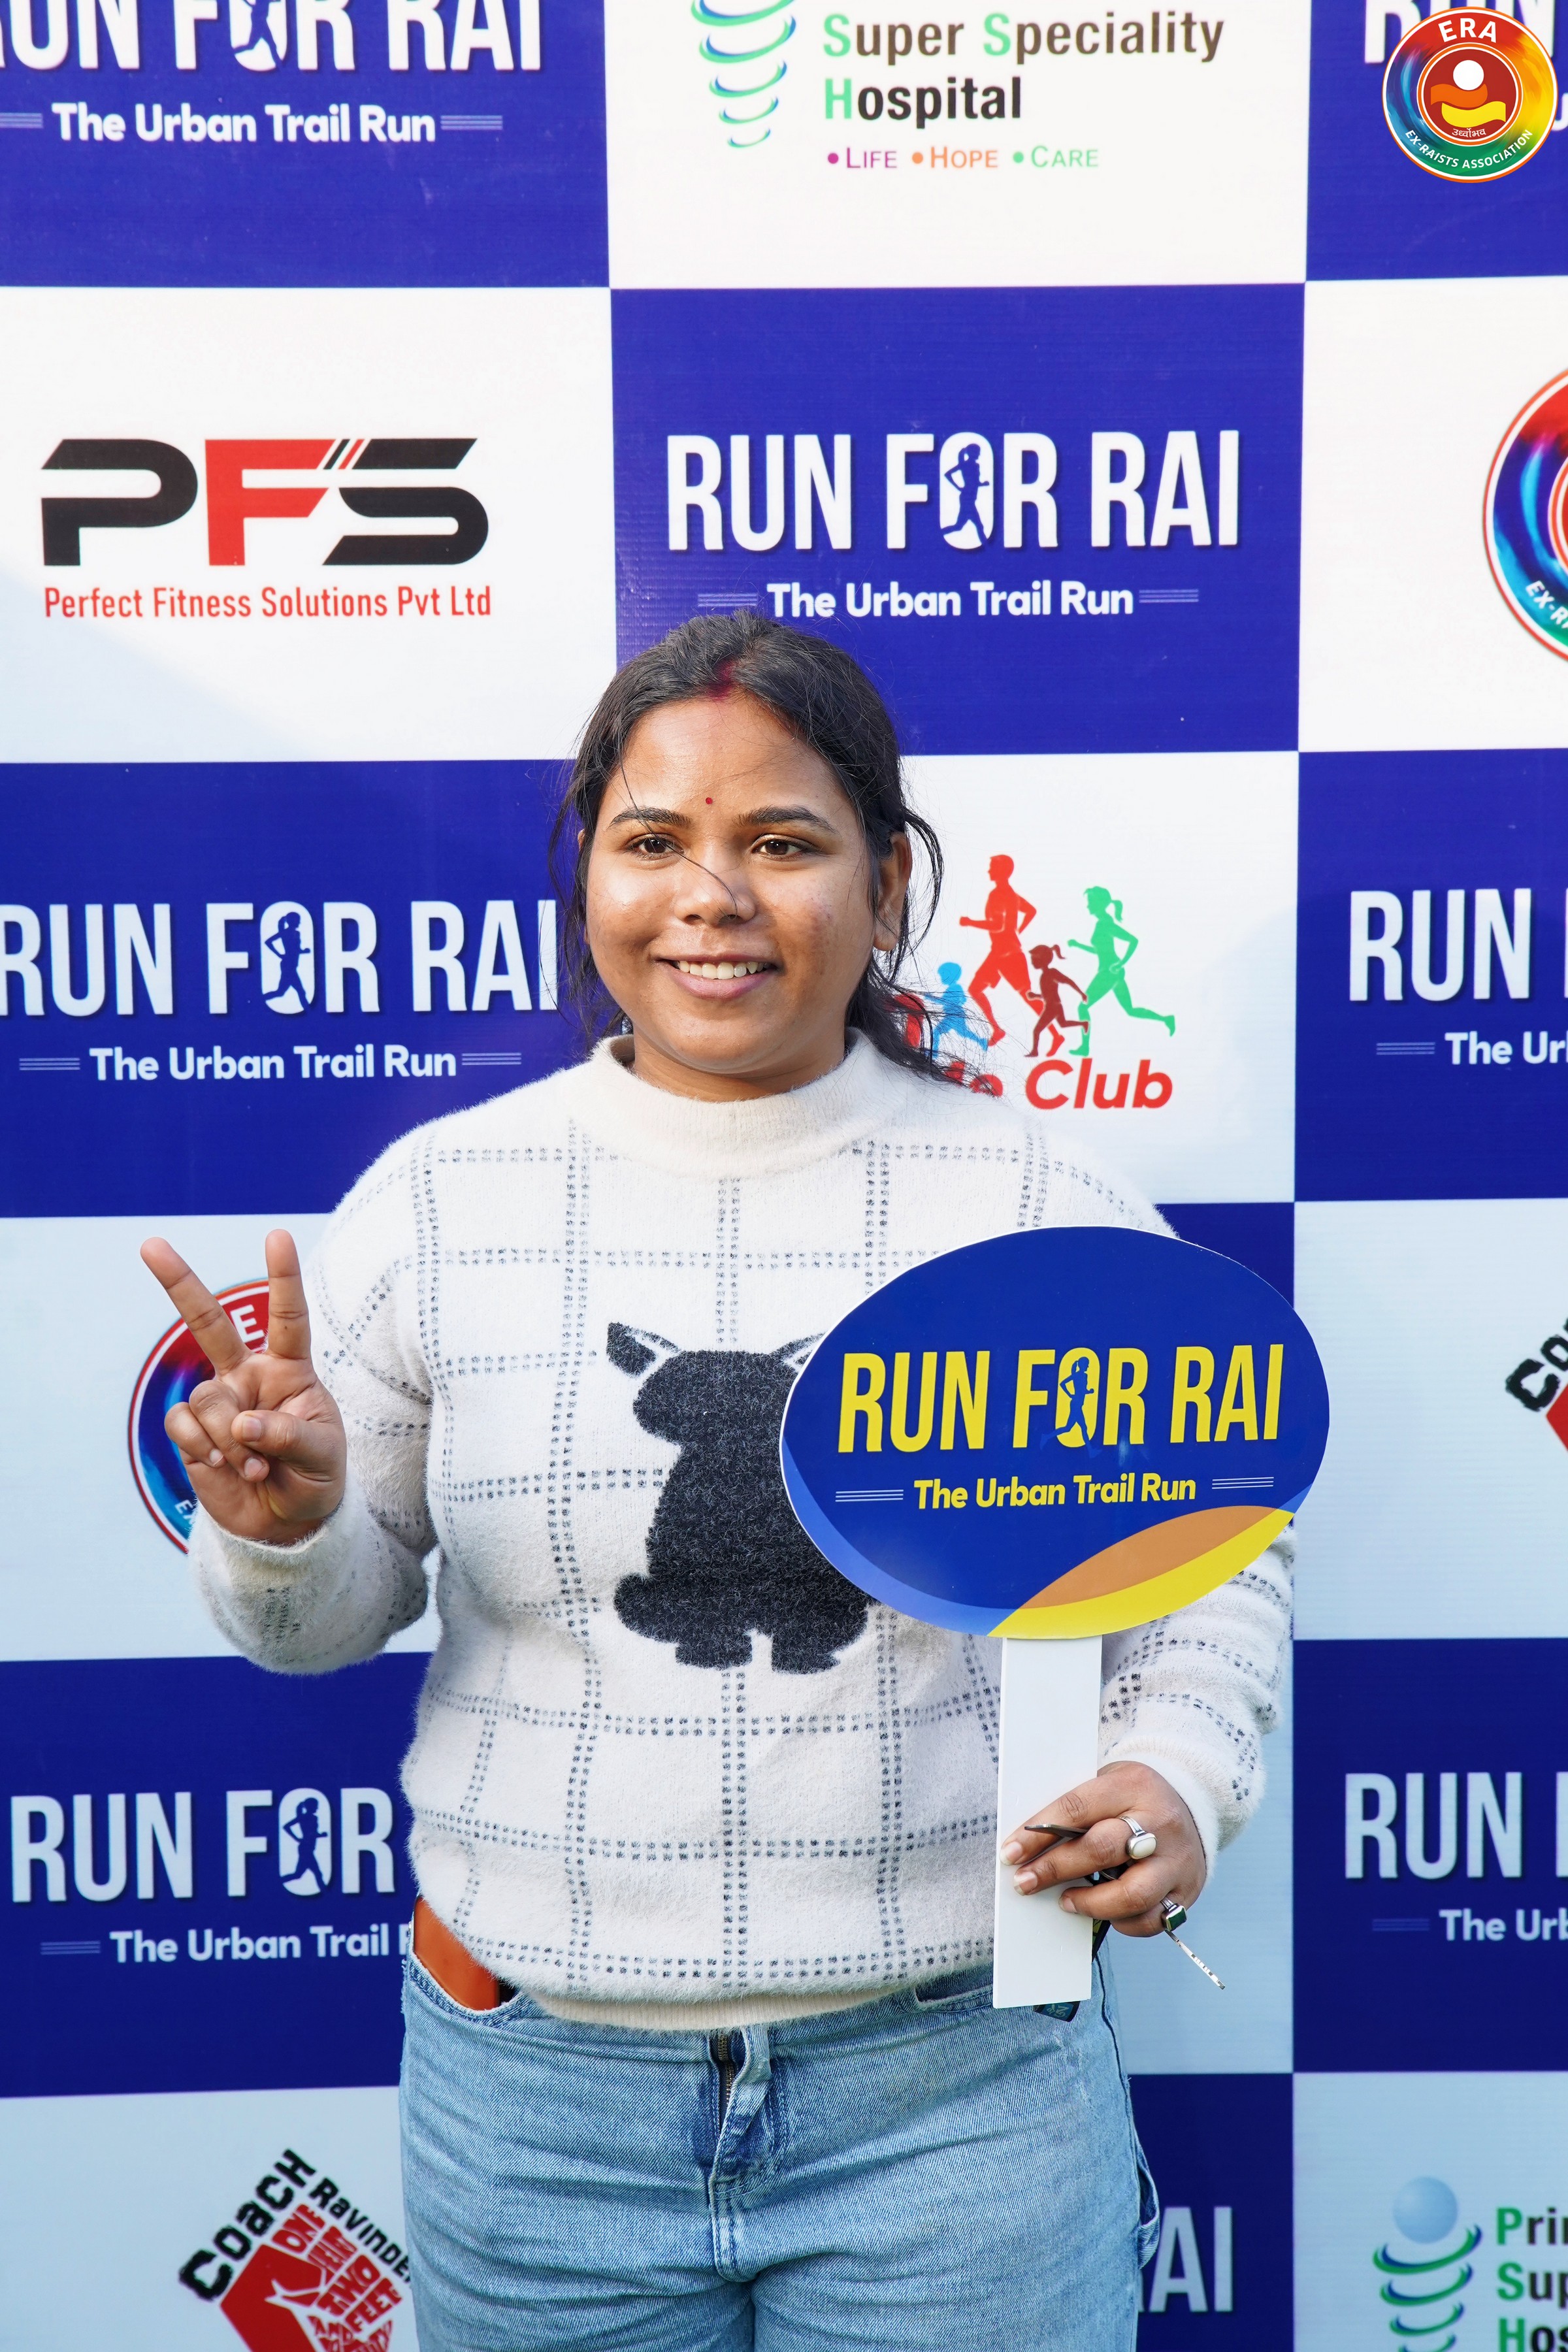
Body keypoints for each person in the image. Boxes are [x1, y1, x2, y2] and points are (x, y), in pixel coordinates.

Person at [142, 615, 1291, 2352]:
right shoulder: (443, 1200)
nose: (712, 897)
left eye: (782, 841)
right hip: (536, 2112)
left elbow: (1214, 1566)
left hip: (958, 2101)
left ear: (888, 886)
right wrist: (285, 1532)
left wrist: (1176, 1773)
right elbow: (318, 1626)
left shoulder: (1035, 1204)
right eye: (654, 840)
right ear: (589, 875)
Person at [1068, 886, 1175, 1058]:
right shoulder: (1102, 923)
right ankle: (1166, 1019)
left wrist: (1121, 963)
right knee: (1130, 1010)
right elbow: (1099, 950)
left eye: (1090, 902)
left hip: (1108, 973)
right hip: (1113, 973)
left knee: (1083, 1007)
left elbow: (1133, 940)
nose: (1087, 906)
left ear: (1099, 903)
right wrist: (1078, 945)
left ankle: (1085, 1047)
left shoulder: (1105, 923)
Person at [958, 853, 1042, 1043]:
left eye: (993, 868)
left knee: (1026, 995)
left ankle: (1055, 1032)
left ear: (1001, 871)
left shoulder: (999, 895)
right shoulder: (1009, 893)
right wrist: (1018, 930)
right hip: (1001, 951)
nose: (989, 871)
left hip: (1007, 954)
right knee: (977, 989)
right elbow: (1031, 911)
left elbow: (997, 925)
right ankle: (997, 1030)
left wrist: (970, 922)